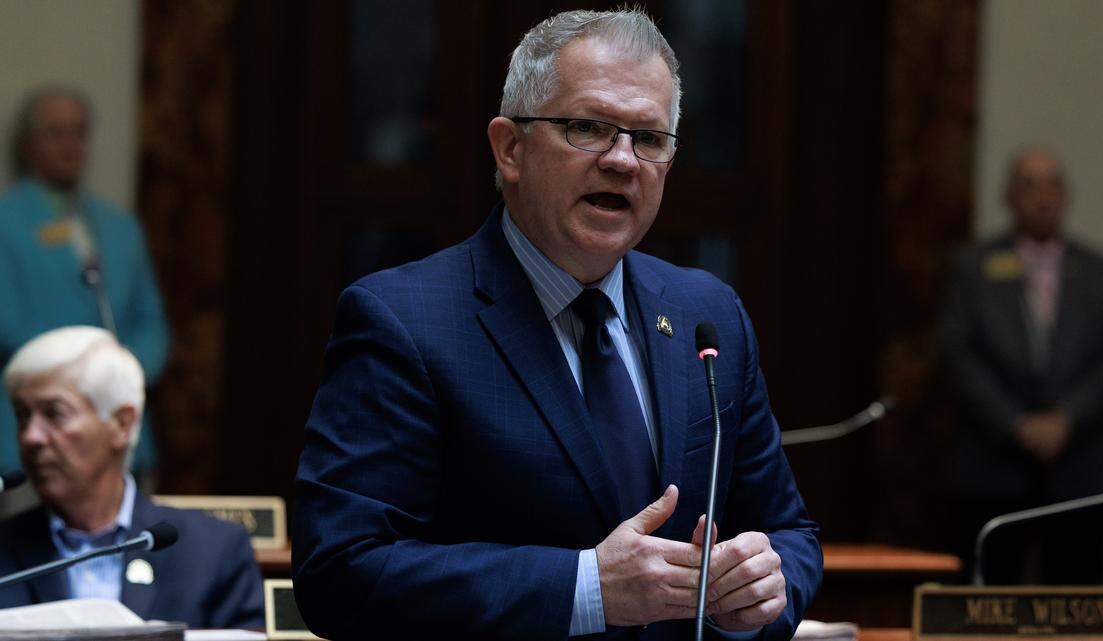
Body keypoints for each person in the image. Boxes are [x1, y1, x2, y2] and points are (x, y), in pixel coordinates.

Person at [293, 9, 821, 640]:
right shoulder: (405, 320)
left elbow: (790, 534)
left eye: (649, 138)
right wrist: (588, 590)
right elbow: (341, 572)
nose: (623, 160)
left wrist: (760, 591)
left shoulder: (708, 315)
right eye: (587, 127)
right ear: (509, 148)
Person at [939, 149, 1103, 584]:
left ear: (1066, 195)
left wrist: (1066, 420)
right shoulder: (973, 267)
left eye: (1053, 184)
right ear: (1009, 196)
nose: (1043, 196)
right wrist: (1015, 423)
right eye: (1029, 184)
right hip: (993, 464)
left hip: (1078, 466)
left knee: (1076, 604)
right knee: (989, 603)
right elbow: (957, 357)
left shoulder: (1102, 271)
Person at [0, 327, 263, 628]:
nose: (31, 436)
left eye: (54, 413)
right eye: (22, 416)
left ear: (122, 424)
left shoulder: (214, 551)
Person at [0, 87, 169, 487]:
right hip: (39, 435)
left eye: (79, 133)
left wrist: (124, 374)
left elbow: (152, 322)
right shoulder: (6, 222)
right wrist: (81, 382)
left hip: (121, 433)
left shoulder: (119, 226)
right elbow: (8, 323)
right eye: (56, 133)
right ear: (29, 143)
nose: (71, 145)